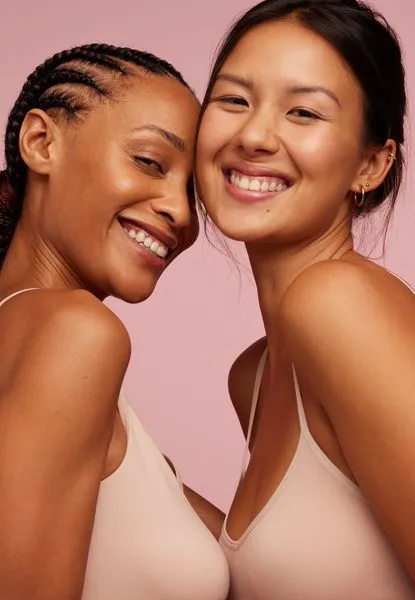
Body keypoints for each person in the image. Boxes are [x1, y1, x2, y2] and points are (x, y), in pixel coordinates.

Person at [196, 0, 415, 597]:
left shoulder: (337, 304)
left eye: (304, 112)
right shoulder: (255, 374)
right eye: (233, 100)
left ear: (371, 164)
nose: (253, 135)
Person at [0, 43, 229, 600]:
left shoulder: (35, 340)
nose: (180, 211)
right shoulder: (74, 334)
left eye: (194, 192)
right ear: (41, 142)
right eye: (149, 161)